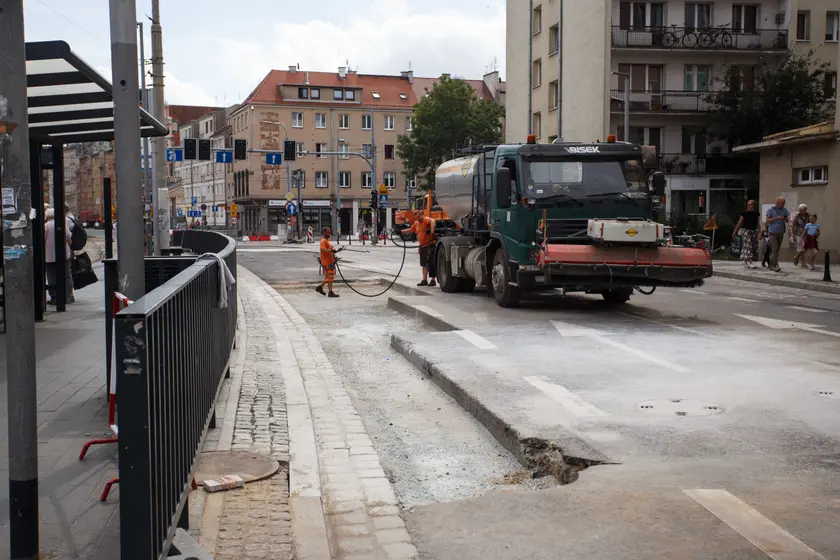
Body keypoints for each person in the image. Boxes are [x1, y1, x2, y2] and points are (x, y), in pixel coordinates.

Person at [44, 208, 74, 304]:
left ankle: (54, 297)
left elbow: (43, 241)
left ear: (47, 216)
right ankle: (69, 296)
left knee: (51, 276)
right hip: (64, 254)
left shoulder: (46, 226)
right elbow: (69, 239)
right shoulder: (62, 224)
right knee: (67, 275)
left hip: (49, 255)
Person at [405, 215, 437, 287]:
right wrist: (401, 231)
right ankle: (424, 280)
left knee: (430, 263)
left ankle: (433, 280)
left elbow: (433, 221)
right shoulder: (416, 223)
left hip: (429, 245)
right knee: (424, 264)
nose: (418, 218)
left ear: (421, 215)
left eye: (419, 216)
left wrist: (432, 230)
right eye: (416, 217)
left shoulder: (426, 220)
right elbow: (410, 230)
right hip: (422, 246)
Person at [315, 227, 343, 297]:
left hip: (330, 262)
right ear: (324, 233)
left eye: (329, 232)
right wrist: (330, 251)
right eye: (328, 232)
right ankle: (325, 290)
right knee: (329, 277)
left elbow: (331, 251)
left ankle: (322, 288)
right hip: (326, 262)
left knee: (329, 277)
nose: (329, 233)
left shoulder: (327, 242)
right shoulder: (323, 241)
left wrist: (337, 251)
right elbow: (322, 250)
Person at [732, 199, 760, 269]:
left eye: (750, 204)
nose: (748, 206)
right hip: (746, 231)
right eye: (748, 204)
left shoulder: (756, 213)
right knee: (748, 245)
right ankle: (750, 261)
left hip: (753, 231)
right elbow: (739, 223)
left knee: (753, 246)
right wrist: (734, 232)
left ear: (753, 205)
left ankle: (745, 259)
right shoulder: (744, 213)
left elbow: (758, 223)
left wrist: (760, 232)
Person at [764, 197, 789, 272]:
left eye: (784, 203)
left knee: (776, 250)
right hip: (772, 232)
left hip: (781, 232)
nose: (783, 205)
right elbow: (767, 221)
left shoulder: (784, 210)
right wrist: (776, 218)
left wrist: (784, 218)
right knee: (774, 249)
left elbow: (787, 220)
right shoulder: (770, 210)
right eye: (782, 203)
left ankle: (771, 264)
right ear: (778, 202)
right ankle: (775, 265)